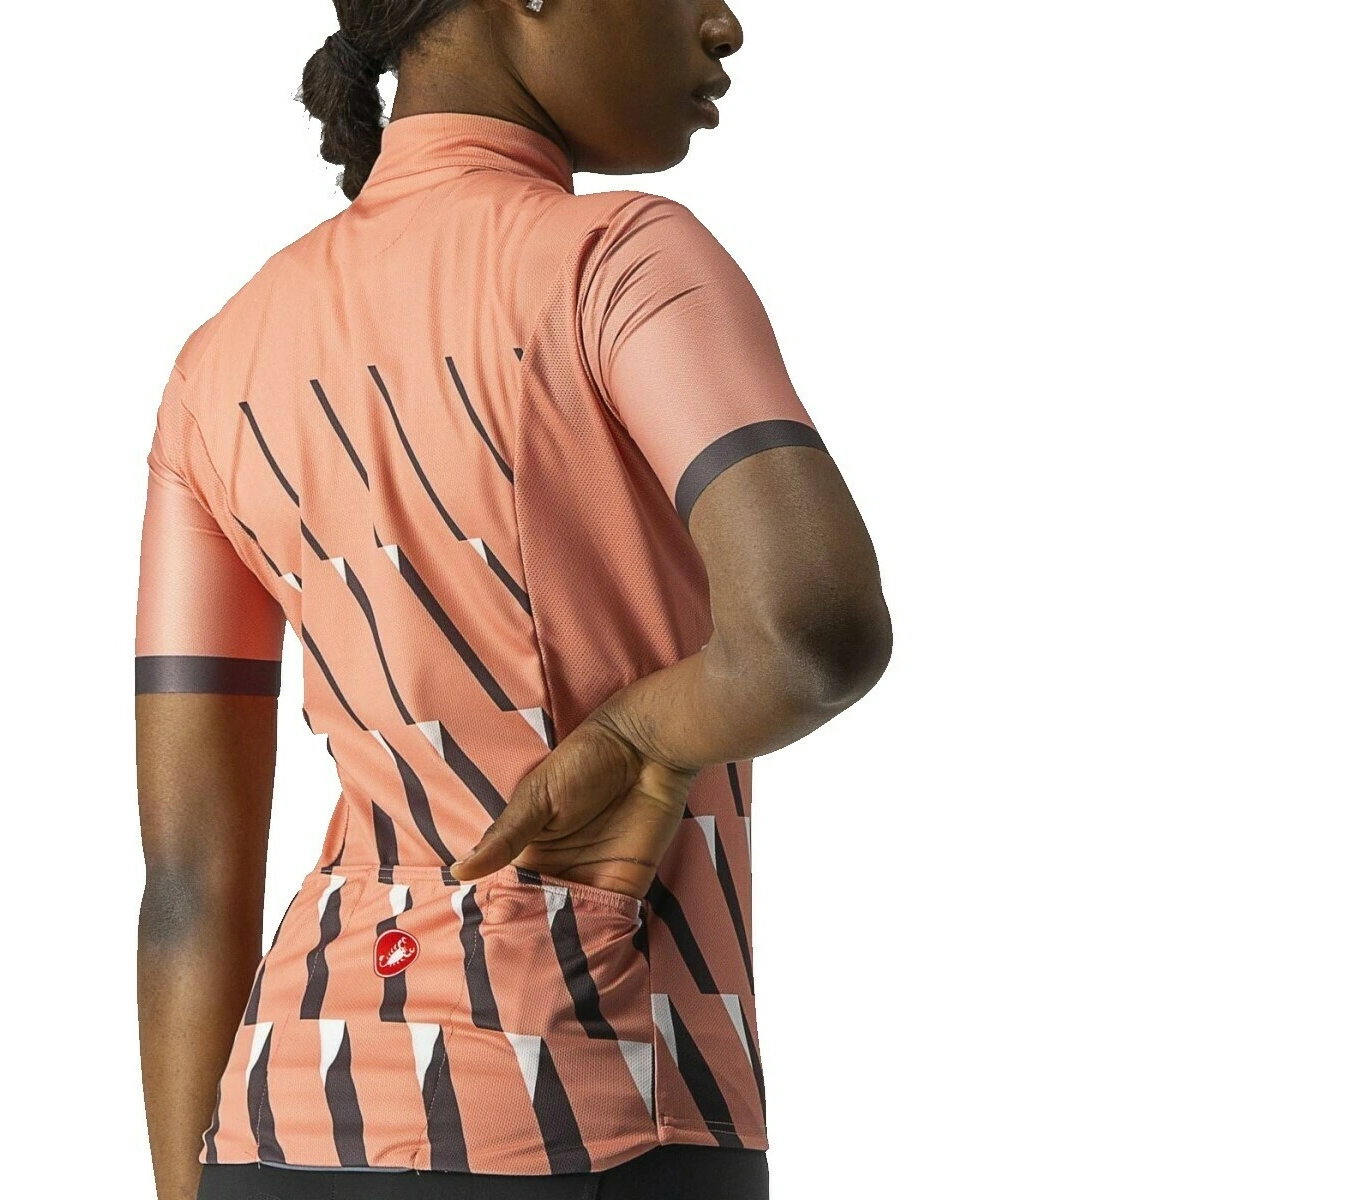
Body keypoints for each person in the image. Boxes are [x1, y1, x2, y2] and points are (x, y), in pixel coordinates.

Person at [133, 1, 892, 1197]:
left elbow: (187, 890)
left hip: (280, 1118)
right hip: (588, 1102)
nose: (724, 24)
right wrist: (638, 736)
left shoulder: (216, 364)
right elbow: (811, 630)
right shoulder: (620, 261)